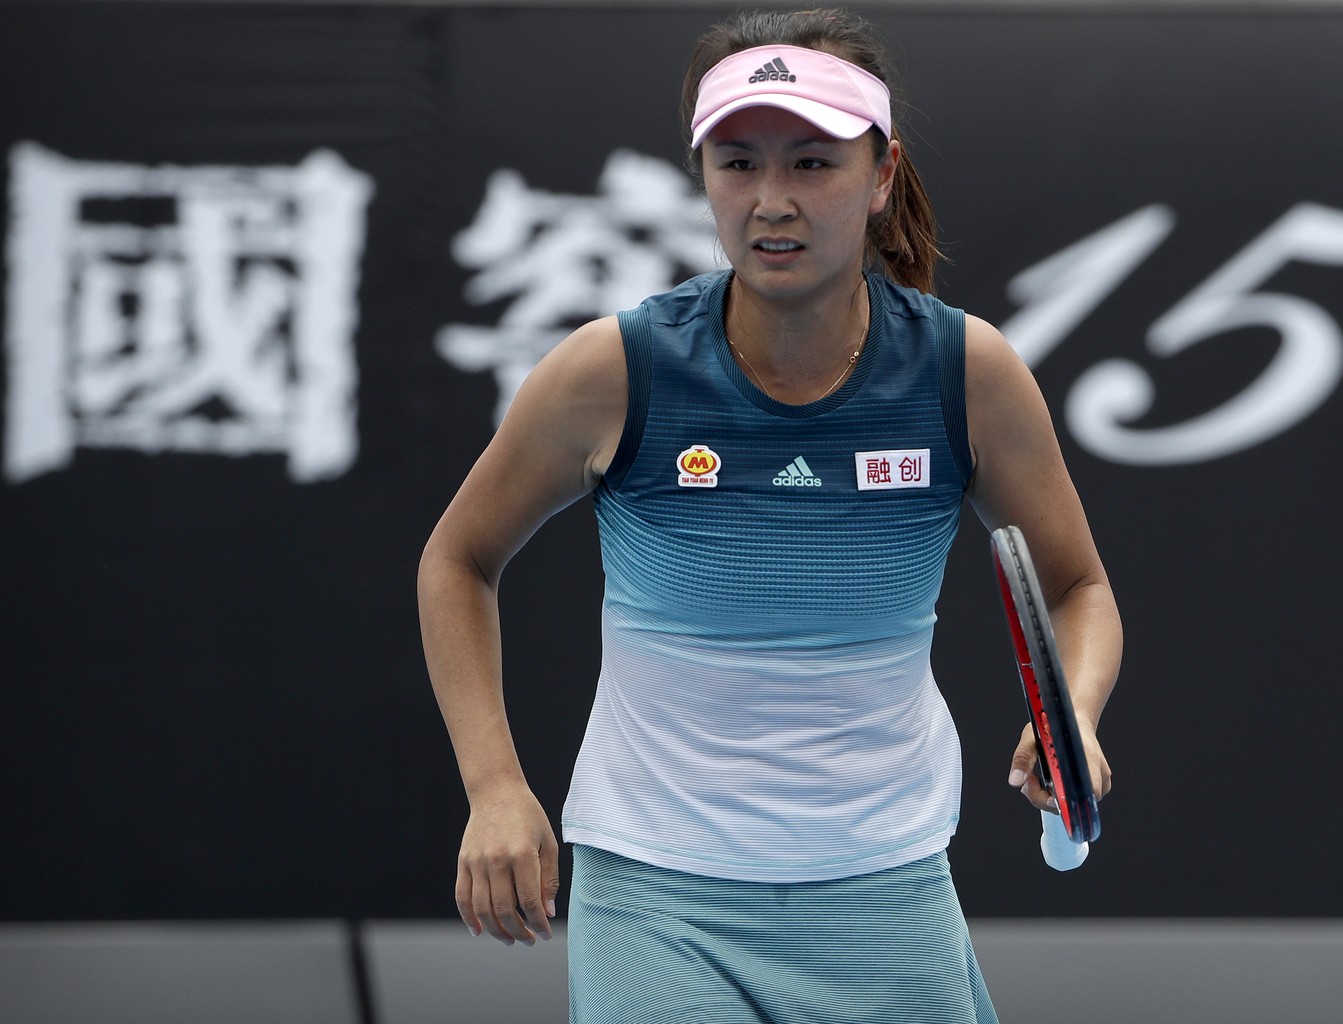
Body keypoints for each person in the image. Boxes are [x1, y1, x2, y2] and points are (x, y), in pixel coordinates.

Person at [417, 8, 1121, 1021]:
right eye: (738, 163)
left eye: (814, 164)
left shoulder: (967, 376)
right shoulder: (614, 371)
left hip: (886, 885)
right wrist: (493, 785)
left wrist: (1076, 717)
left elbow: (1079, 584)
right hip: (656, 894)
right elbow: (458, 559)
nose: (772, 201)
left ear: (881, 178)